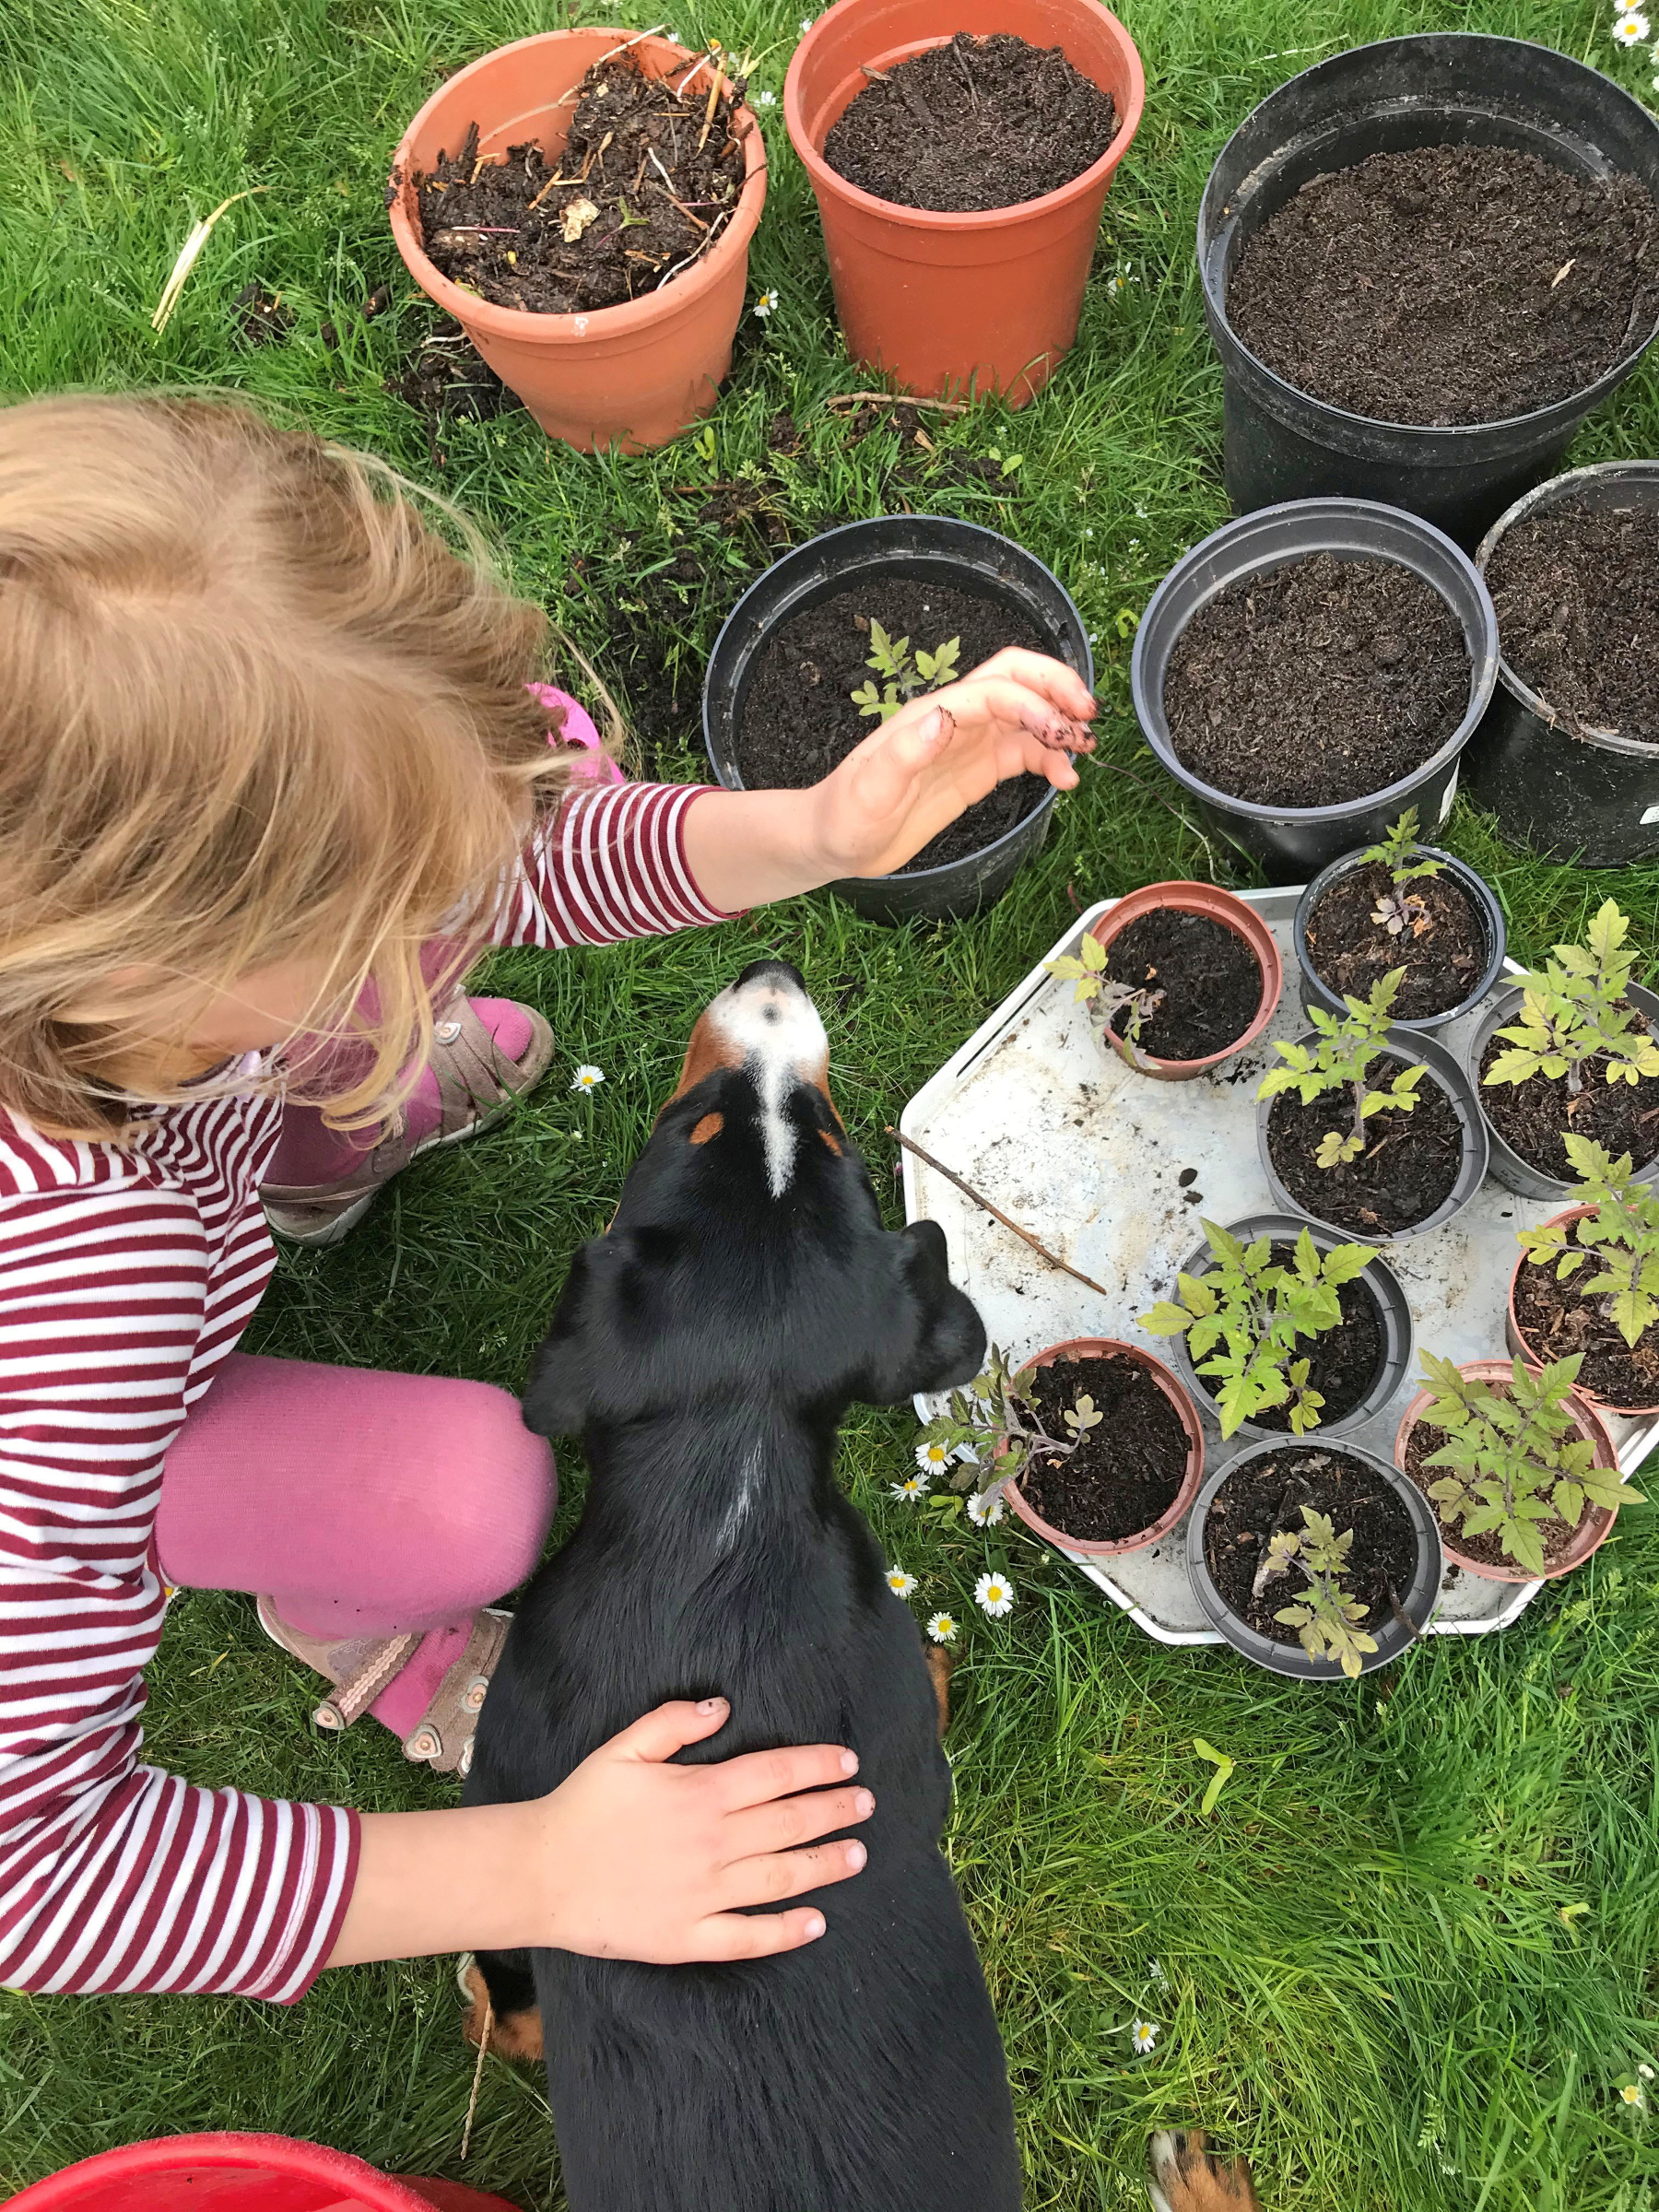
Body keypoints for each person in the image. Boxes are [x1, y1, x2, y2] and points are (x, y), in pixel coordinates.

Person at [0, 392, 1096, 2005]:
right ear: (153, 961)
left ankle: (311, 1142)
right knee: (474, 1499)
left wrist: (812, 830)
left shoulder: (125, 912)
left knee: (341, 1025)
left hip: (193, 1095)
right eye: (403, 917)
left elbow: (522, 859)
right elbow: (41, 1877)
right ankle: (358, 1625)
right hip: (100, 1364)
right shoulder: (78, 1307)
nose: (468, 909)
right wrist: (542, 1867)